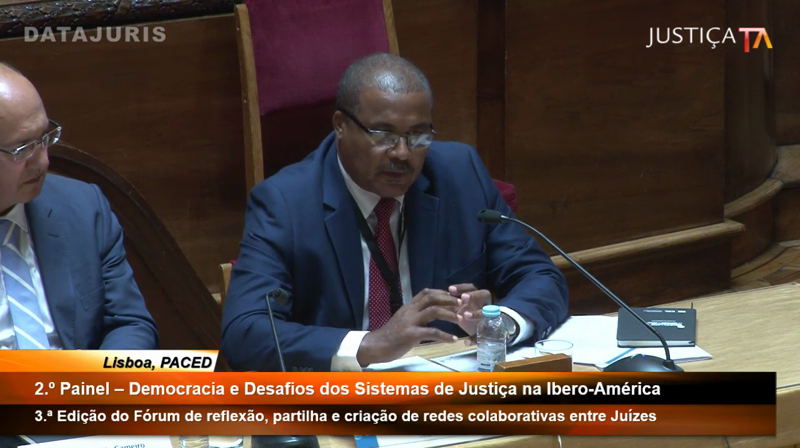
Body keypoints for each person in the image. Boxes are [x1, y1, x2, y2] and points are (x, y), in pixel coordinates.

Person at [222, 53, 567, 372]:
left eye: (417, 136)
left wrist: (496, 324)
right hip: (340, 398)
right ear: (340, 125)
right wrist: (370, 345)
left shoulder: (461, 174)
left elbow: (539, 275)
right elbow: (244, 332)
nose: (402, 153)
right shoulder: (286, 202)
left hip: (447, 383)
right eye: (383, 134)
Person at [0, 63, 158, 350]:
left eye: (44, 138)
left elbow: (128, 324)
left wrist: (96, 378)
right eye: (23, 149)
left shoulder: (83, 207)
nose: (44, 161)